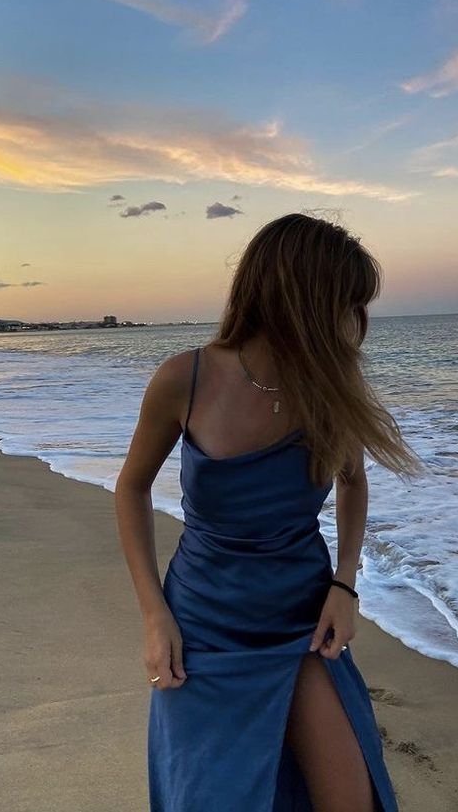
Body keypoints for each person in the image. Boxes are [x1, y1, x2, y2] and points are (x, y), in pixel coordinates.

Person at [114, 213, 423, 811]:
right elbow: (131, 489)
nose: (355, 322)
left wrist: (346, 583)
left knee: (348, 798)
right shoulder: (185, 378)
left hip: (301, 619)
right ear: (301, 297)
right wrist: (155, 617)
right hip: (203, 624)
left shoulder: (331, 386)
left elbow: (354, 482)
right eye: (345, 302)